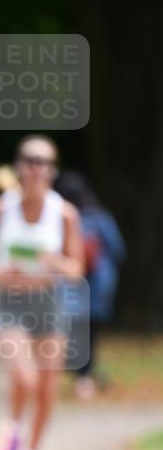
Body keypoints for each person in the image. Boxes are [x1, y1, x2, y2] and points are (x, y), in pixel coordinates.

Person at [0, 135, 84, 450]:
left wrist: (54, 262)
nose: (37, 168)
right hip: (8, 303)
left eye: (45, 162)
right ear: (19, 165)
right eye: (31, 160)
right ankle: (12, 429)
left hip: (48, 303)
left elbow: (76, 268)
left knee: (49, 386)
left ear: (53, 170)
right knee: (26, 378)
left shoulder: (64, 213)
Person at [55, 170, 126, 399]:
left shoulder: (60, 218)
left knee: (70, 330)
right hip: (98, 284)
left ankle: (80, 373)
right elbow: (117, 249)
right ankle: (85, 378)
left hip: (69, 285)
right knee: (90, 331)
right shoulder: (99, 217)